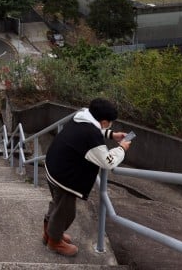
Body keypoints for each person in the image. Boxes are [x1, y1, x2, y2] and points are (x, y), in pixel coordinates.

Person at [43, 98, 131, 257]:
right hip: (65, 178)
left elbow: (93, 129)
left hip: (54, 167)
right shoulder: (91, 136)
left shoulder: (82, 115)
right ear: (104, 121)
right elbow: (107, 161)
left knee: (57, 204)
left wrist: (112, 135)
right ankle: (54, 242)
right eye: (109, 124)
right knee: (65, 212)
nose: (109, 125)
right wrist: (122, 148)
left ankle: (49, 233)